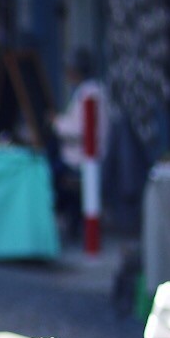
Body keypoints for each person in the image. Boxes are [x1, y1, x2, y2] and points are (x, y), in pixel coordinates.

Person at [48, 47, 109, 239]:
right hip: (84, 156)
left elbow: (80, 130)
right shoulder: (90, 91)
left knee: (47, 173)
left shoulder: (89, 95)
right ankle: (72, 220)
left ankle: (65, 221)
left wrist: (55, 122)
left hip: (82, 159)